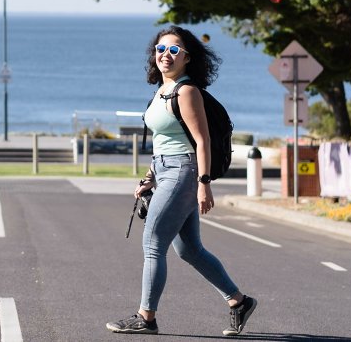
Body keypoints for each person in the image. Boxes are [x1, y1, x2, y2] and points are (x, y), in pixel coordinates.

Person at [107, 26, 257, 337]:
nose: (165, 55)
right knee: (189, 250)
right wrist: (150, 177)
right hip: (165, 171)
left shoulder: (187, 92)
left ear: (187, 58)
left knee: (153, 243)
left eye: (174, 50)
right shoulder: (161, 91)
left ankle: (146, 318)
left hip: (184, 171)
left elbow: (201, 141)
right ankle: (238, 302)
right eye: (161, 49)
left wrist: (204, 183)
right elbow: (163, 140)